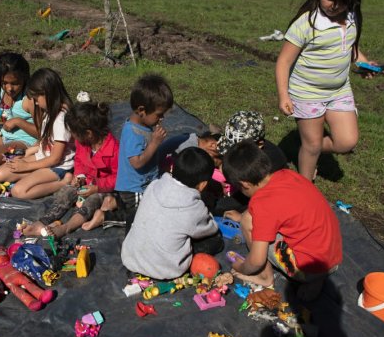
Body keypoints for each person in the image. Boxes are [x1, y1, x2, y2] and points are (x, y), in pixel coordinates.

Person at [275, 0, 377, 181]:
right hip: (307, 93)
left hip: (339, 91)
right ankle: (305, 184)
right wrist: (284, 95)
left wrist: (363, 63)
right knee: (311, 145)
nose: (334, 5)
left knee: (346, 141)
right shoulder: (307, 24)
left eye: (342, 0)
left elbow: (352, 47)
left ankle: (307, 148)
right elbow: (283, 61)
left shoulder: (351, 17)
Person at [222, 140, 342, 302]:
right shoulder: (286, 174)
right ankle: (317, 279)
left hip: (305, 269)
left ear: (244, 184)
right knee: (250, 217)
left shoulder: (262, 204)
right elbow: (282, 207)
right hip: (332, 256)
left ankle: (265, 277)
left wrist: (242, 267)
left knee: (247, 222)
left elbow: (257, 260)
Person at [121, 147, 220, 280]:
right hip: (165, 269)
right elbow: (210, 228)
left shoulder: (154, 185)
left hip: (131, 257)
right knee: (216, 240)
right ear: (202, 185)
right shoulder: (193, 208)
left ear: (172, 168)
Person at [24, 100, 120, 237]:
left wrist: (97, 187)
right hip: (86, 183)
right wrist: (79, 176)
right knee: (67, 191)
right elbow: (79, 160)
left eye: (73, 133)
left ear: (88, 133)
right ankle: (43, 221)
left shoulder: (114, 150)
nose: (72, 136)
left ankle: (67, 227)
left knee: (93, 201)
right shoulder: (83, 143)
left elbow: (117, 178)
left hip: (102, 189)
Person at [0, 68, 75, 199]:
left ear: (47, 94)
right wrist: (27, 153)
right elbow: (46, 141)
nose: (36, 103)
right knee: (1, 174)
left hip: (58, 166)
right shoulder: (49, 112)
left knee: (18, 191)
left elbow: (55, 158)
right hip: (43, 157)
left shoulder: (61, 120)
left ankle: (63, 182)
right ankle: (37, 174)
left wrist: (27, 165)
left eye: (37, 98)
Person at [114, 73, 174, 225]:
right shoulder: (132, 132)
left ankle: (111, 211)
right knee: (139, 221)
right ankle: (132, 245)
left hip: (145, 184)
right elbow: (137, 163)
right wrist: (155, 143)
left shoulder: (145, 126)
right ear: (142, 110)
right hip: (135, 189)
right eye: (159, 115)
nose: (161, 119)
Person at [214, 110, 287, 215]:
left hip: (259, 195)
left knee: (220, 207)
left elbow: (249, 193)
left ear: (259, 144)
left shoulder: (271, 163)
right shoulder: (251, 149)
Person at [0, 52, 38, 169]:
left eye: (15, 83)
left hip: (24, 142)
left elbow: (43, 132)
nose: (9, 88)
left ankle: (26, 158)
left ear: (25, 78)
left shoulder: (29, 99)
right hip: (3, 137)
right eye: (5, 83)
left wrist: (18, 122)